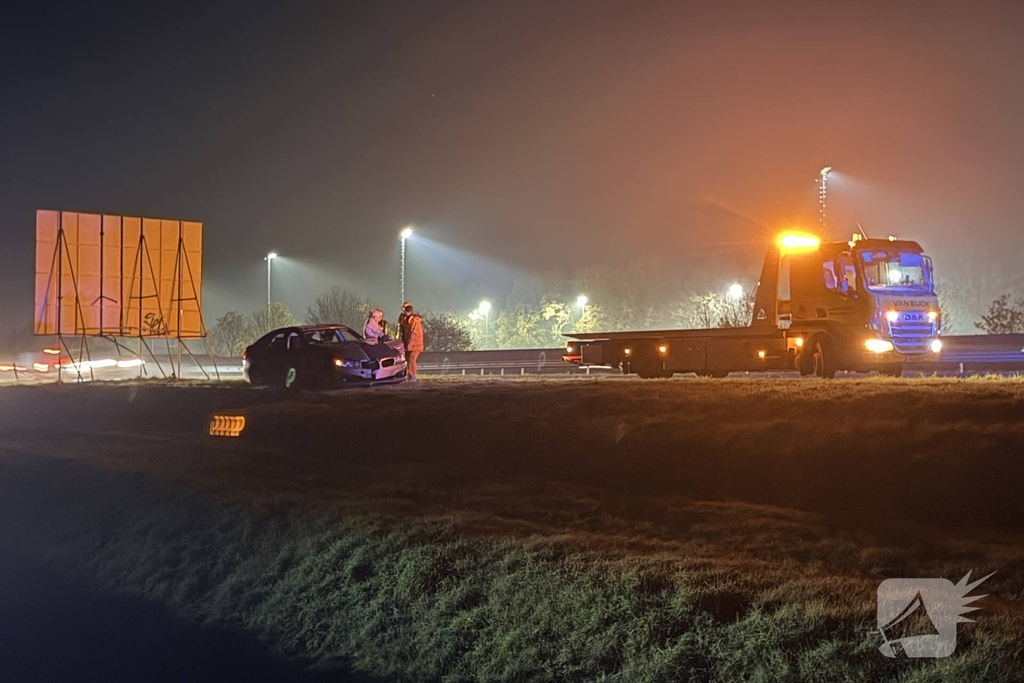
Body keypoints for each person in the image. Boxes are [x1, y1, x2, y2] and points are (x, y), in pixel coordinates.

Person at [399, 302, 424, 381]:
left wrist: (409, 345)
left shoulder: (414, 321)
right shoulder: (406, 320)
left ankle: (413, 376)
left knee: (412, 360)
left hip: (415, 344)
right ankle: (408, 375)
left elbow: (413, 334)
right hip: (409, 344)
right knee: (408, 360)